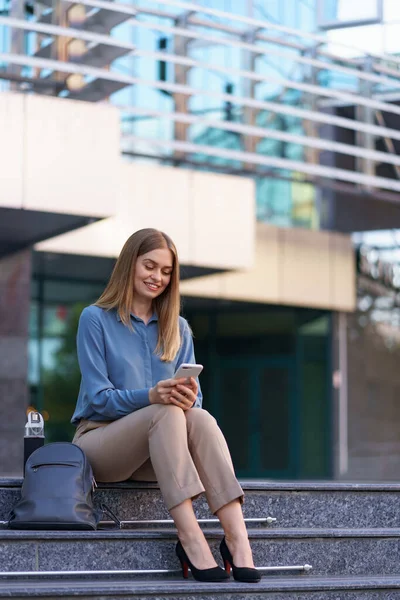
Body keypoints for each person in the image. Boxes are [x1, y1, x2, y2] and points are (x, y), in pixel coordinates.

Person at [71, 228, 260, 583]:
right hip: (101, 445)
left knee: (199, 418)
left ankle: (238, 539)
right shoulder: (94, 319)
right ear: (130, 264)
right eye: (149, 266)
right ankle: (190, 537)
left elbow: (193, 404)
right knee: (165, 411)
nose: (157, 277)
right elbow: (97, 400)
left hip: (161, 454)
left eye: (166, 271)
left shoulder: (179, 328)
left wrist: (186, 398)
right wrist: (152, 397)